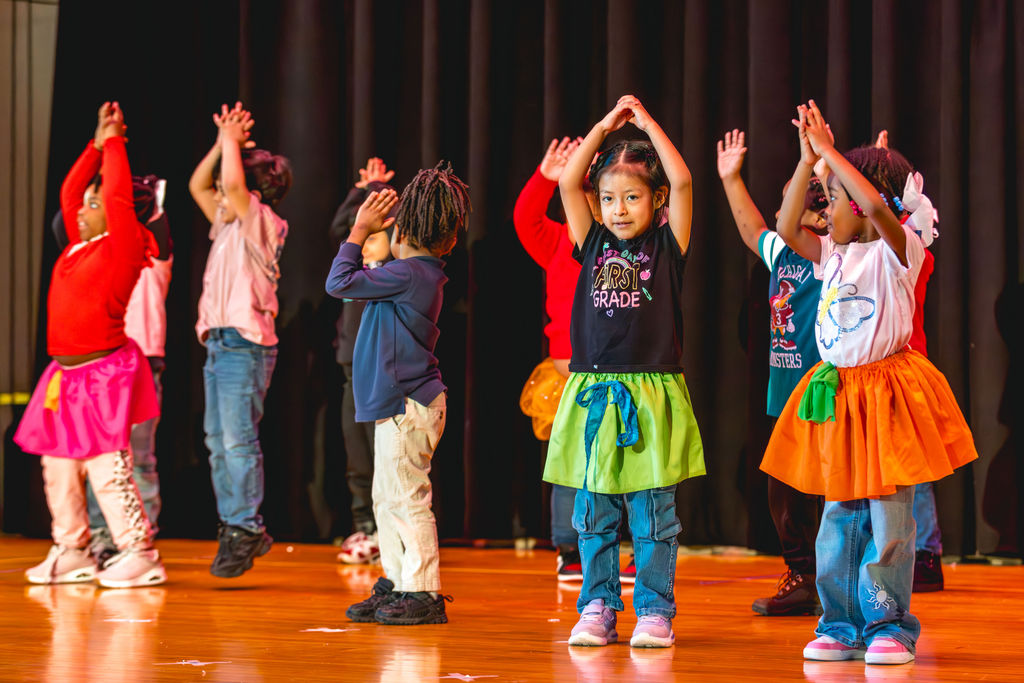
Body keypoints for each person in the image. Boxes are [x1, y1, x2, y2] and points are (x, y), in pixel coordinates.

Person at [761, 100, 977, 665]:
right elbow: (784, 227)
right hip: (841, 395)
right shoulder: (830, 253)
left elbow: (880, 207)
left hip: (884, 395)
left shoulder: (896, 251)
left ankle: (889, 625)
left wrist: (833, 155)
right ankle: (840, 623)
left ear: (861, 202)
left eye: (831, 199)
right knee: (839, 516)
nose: (823, 210)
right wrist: (810, 162)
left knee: (888, 516)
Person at [544, 95, 705, 648]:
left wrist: (647, 126)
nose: (617, 209)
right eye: (609, 198)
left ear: (655, 200)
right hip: (595, 391)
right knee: (594, 511)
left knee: (653, 512)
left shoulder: (668, 243)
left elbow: (682, 180)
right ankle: (596, 605)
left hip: (651, 390)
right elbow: (569, 182)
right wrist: (604, 127)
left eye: (632, 197)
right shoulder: (588, 243)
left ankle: (655, 610)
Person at [15, 101, 166, 588]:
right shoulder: (77, 246)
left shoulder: (122, 247)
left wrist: (116, 142)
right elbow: (69, 189)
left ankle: (138, 552)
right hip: (64, 375)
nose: (83, 208)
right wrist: (94, 144)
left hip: (103, 373)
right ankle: (72, 548)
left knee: (107, 467)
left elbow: (118, 197)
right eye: (86, 205)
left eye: (93, 205)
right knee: (58, 467)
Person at [327, 161, 471, 625]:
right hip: (399, 406)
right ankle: (395, 582)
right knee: (386, 498)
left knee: (407, 497)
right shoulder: (413, 272)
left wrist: (359, 230)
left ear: (403, 232)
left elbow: (339, 283)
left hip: (409, 405)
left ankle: (423, 590)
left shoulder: (410, 273)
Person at [514, 137, 637, 584]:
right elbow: (525, 218)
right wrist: (545, 176)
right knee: (570, 462)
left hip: (615, 372)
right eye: (578, 194)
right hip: (568, 376)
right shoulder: (555, 242)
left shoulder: (617, 246)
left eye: (595, 196)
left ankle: (627, 546)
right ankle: (569, 548)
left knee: (621, 459)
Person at [716, 129, 827, 616]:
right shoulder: (782, 252)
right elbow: (750, 227)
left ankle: (835, 582)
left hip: (825, 397)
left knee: (826, 495)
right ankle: (803, 576)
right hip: (784, 398)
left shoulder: (834, 258)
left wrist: (824, 168)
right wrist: (730, 178)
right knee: (782, 494)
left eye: (819, 197)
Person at [189, 102, 292, 578]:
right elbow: (199, 185)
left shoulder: (261, 222)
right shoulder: (228, 222)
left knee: (237, 440)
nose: (221, 194)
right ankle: (237, 524)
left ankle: (244, 524)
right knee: (217, 440)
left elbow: (230, 186)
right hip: (220, 344)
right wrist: (221, 142)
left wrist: (233, 139)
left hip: (244, 344)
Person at [51, 176, 172, 564]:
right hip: (96, 364)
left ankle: (139, 537)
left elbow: (155, 223)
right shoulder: (93, 255)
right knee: (93, 455)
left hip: (139, 364)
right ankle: (103, 536)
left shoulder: (147, 252)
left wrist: (143, 197)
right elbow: (64, 221)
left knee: (136, 456)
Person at [328, 157, 399, 565]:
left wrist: (379, 196)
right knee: (358, 456)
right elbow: (342, 231)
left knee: (387, 455)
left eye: (374, 235)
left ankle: (388, 528)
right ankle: (365, 527)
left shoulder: (394, 274)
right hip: (352, 373)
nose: (362, 242)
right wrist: (363, 191)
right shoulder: (351, 272)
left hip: (385, 378)